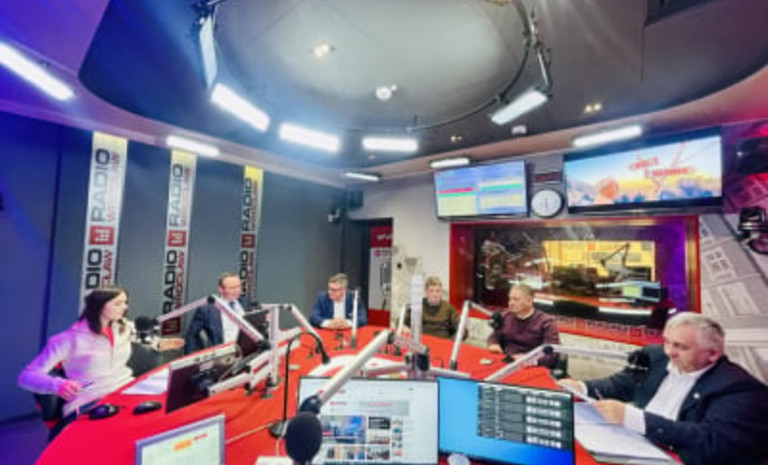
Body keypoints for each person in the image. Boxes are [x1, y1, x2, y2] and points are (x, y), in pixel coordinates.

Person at [559, 313, 768, 465]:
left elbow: (712, 442)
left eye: (681, 347)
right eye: (667, 342)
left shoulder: (741, 389)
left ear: (713, 354)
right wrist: (582, 387)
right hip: (630, 445)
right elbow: (622, 384)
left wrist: (637, 419)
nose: (670, 352)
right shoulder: (656, 356)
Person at [17, 286, 182, 439]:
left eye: (125, 302)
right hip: (90, 400)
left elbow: (139, 337)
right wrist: (58, 385)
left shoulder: (123, 327)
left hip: (127, 390)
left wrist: (159, 343)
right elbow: (26, 376)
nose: (125, 307)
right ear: (99, 306)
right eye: (118, 303)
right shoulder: (66, 340)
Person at [487, 283, 560, 367]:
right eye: (510, 299)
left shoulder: (546, 322)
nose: (511, 303)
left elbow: (552, 353)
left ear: (529, 301)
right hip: (507, 362)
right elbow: (495, 335)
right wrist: (493, 343)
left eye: (516, 299)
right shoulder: (506, 316)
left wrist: (531, 360)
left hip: (532, 366)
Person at [184, 272, 249, 354]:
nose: (237, 291)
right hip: (223, 353)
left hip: (247, 351)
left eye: (238, 286)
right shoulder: (207, 310)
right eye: (232, 288)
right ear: (221, 289)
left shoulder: (247, 303)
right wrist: (192, 357)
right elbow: (192, 335)